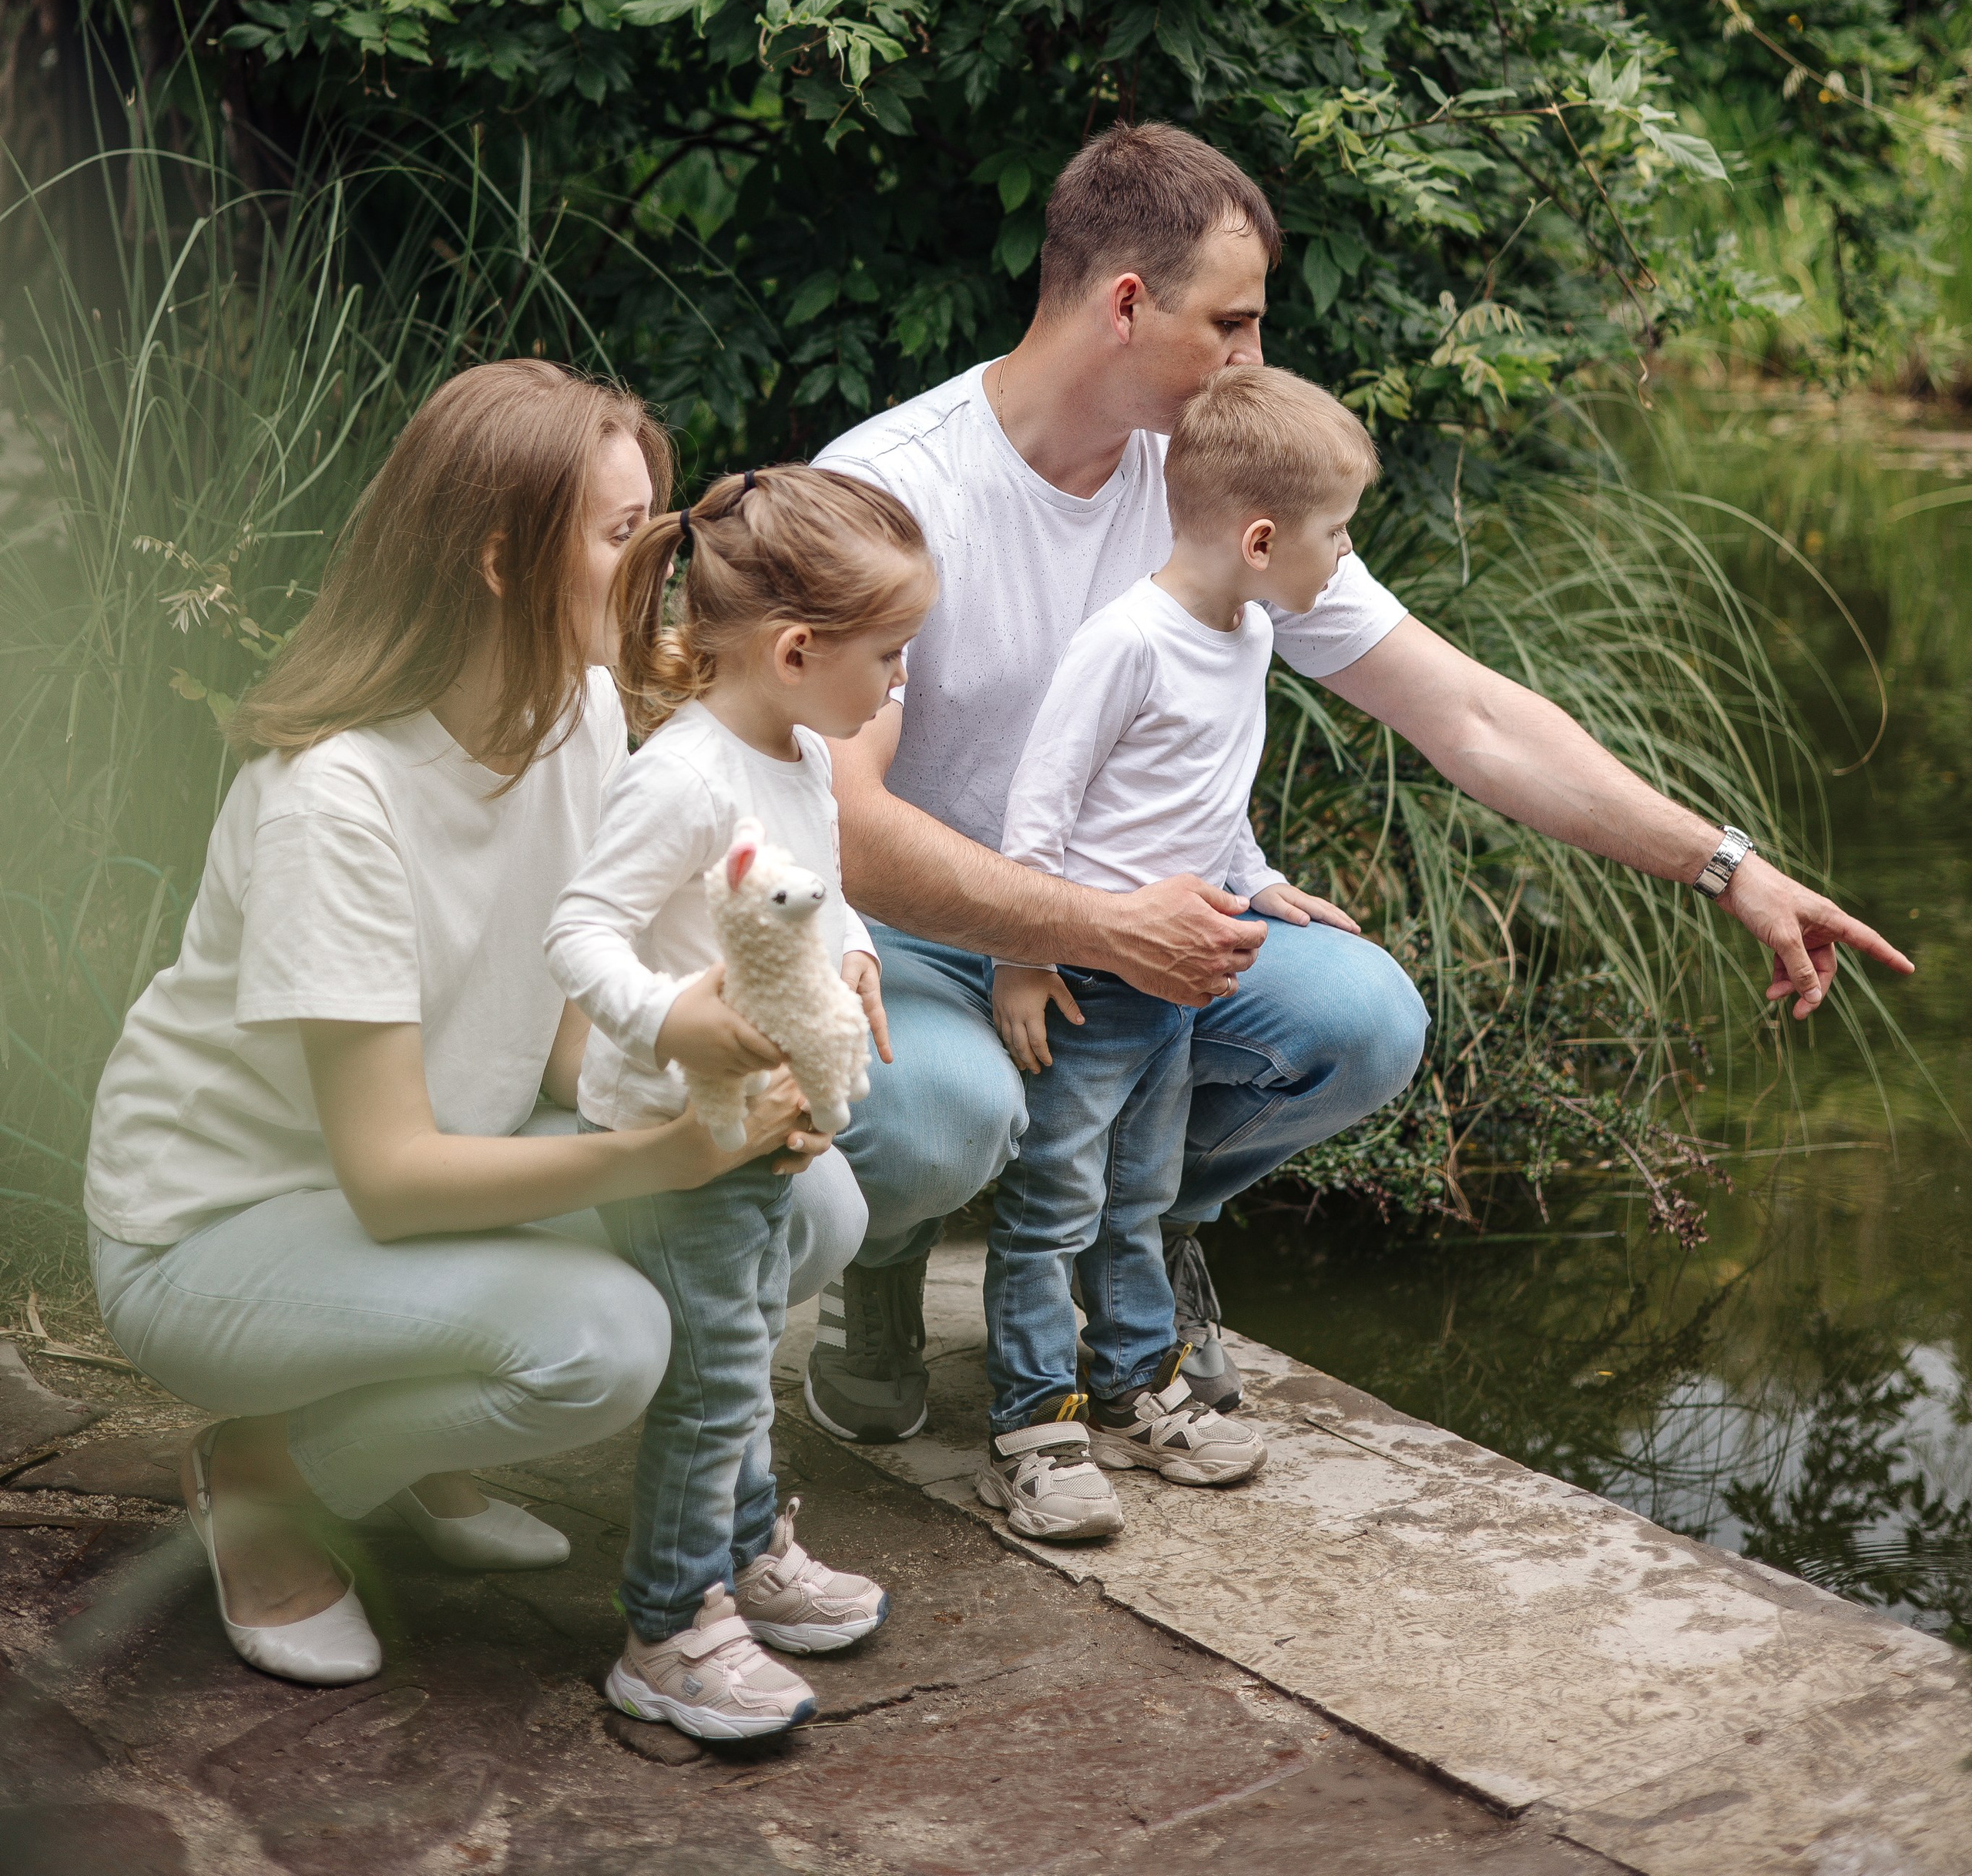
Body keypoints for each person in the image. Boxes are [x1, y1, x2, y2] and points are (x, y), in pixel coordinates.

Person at [803, 122, 1917, 1451]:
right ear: (1124, 304)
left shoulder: (1212, 478)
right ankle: (884, 1261)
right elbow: (845, 825)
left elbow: (1471, 715)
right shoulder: (893, 489)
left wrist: (1727, 867)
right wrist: (1086, 930)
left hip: (1138, 922)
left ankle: (1134, 1255)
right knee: (945, 1120)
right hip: (922, 937)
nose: (1253, 360)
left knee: (1359, 1017)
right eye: (1234, 323)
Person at [83, 361, 856, 1689]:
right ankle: (266, 1473)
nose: (659, 570)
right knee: (601, 1342)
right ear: (501, 557)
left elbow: (552, 1015)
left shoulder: (580, 709)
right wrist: (656, 1160)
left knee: (812, 1206)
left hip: (428, 1163)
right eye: (625, 537)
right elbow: (388, 1178)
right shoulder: (339, 803)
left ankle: (413, 1445)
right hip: (220, 1222)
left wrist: (706, 1040)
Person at [546, 464, 934, 1742]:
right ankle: (667, 1626)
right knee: (711, 1377)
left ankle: (747, 1551)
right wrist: (672, 1019)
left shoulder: (803, 755)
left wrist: (860, 955)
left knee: (749, 1339)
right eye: (890, 654)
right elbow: (583, 929)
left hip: (770, 1127)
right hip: (684, 1134)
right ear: (795, 646)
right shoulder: (686, 775)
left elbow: (821, 892)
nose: (901, 681)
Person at [979, 367, 1374, 1542]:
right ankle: (1031, 1426)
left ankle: (1133, 1386)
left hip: (1178, 977)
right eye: (1336, 536)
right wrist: (1024, 953)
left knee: (1140, 1196)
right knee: (1053, 1201)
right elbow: (1038, 807)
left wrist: (1256, 879)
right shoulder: (1128, 643)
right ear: (1260, 539)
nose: (1343, 561)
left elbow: (1207, 797)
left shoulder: (1247, 631)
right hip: (1092, 975)